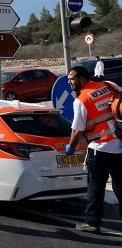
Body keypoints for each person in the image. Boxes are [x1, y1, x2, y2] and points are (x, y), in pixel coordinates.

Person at [65, 65, 122, 233]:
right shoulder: (108, 85)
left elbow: (78, 130)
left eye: (71, 79)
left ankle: (92, 222)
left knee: (95, 187)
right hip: (119, 146)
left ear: (82, 79)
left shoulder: (81, 100)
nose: (69, 82)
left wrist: (71, 147)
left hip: (99, 150)